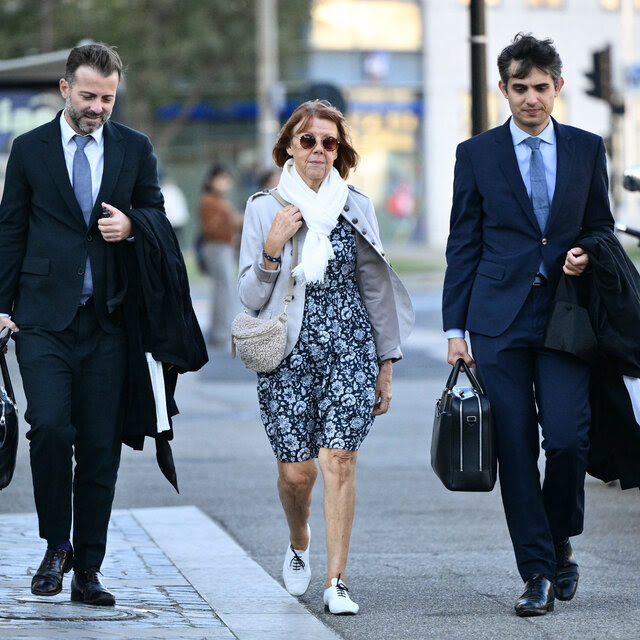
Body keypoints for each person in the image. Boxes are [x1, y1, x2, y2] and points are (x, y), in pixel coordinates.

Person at [442, 33, 615, 617]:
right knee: (515, 448)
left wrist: (585, 253)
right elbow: (462, 243)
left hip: (567, 316)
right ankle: (536, 570)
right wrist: (454, 330)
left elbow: (601, 226)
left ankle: (559, 537)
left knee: (567, 440)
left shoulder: (589, 149)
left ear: (558, 87)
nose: (531, 99)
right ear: (504, 89)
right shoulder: (477, 154)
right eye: (520, 88)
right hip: (497, 320)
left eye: (541, 87)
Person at [0, 43, 166, 606]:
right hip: (41, 318)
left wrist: (133, 225)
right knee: (49, 428)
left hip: (108, 323)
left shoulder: (135, 149)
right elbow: (10, 230)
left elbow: (159, 219)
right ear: (66, 88)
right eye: (90, 96)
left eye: (109, 99)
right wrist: (1, 305)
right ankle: (56, 544)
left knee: (99, 447)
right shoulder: (28, 149)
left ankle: (87, 568)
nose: (98, 107)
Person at [238, 100, 414, 614]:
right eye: (308, 140)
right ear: (289, 146)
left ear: (340, 151)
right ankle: (299, 540)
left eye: (329, 142)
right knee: (297, 474)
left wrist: (385, 365)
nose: (318, 150)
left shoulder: (356, 204)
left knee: (340, 458)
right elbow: (250, 296)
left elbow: (376, 291)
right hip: (286, 352)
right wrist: (273, 248)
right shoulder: (263, 208)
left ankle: (337, 581)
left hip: (349, 347)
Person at [198, 165, 243, 348]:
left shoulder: (218, 200)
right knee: (223, 290)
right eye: (221, 178)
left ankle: (222, 332)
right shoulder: (209, 201)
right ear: (211, 180)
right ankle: (220, 333)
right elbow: (211, 228)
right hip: (216, 247)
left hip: (222, 247)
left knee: (224, 290)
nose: (225, 183)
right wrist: (232, 221)